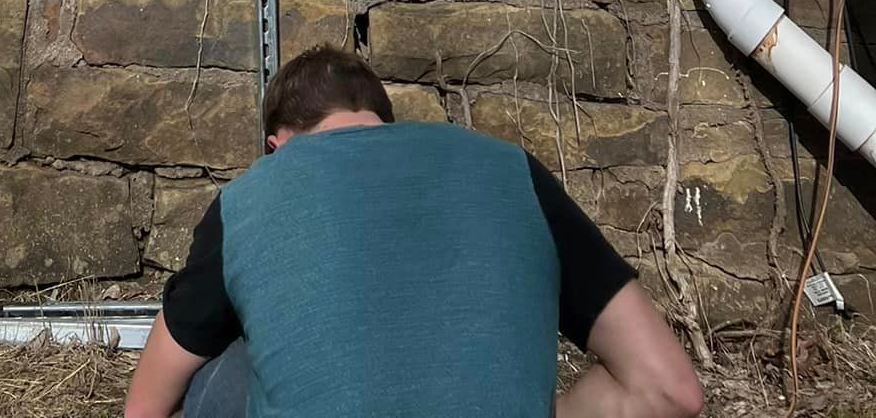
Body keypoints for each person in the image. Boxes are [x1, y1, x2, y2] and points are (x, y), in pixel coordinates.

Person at [124, 45, 702, 418]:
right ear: (383, 124)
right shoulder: (511, 171)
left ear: (277, 144)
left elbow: (147, 402)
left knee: (222, 364)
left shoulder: (249, 197)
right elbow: (670, 391)